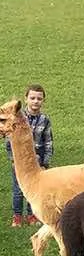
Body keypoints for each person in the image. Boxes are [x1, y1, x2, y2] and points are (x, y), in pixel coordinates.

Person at [6, 84, 52, 227]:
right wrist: (13, 159)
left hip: (37, 162)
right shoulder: (17, 118)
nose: (35, 101)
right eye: (32, 98)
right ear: (26, 99)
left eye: (39, 98)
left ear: (43, 101)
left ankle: (32, 214)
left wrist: (45, 162)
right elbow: (10, 141)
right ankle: (17, 216)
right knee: (18, 189)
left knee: (37, 189)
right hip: (20, 163)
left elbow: (48, 141)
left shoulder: (44, 119)